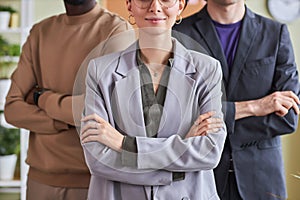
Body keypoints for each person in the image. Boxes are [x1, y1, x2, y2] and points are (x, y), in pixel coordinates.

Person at [80, 0, 227, 199]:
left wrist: (125, 144)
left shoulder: (207, 69)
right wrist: (180, 164)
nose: (155, 7)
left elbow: (209, 151)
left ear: (180, 6)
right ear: (130, 5)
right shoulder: (99, 71)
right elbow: (98, 159)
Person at [4, 0, 134, 199]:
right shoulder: (40, 32)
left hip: (93, 181)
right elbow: (13, 109)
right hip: (39, 181)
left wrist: (41, 97)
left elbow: (99, 112)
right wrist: (65, 118)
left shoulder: (117, 31)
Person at [173, 0, 300, 199]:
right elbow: (178, 114)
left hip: (263, 181)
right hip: (202, 178)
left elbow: (288, 118)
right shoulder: (180, 34)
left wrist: (214, 121)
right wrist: (255, 107)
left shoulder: (276, 33)